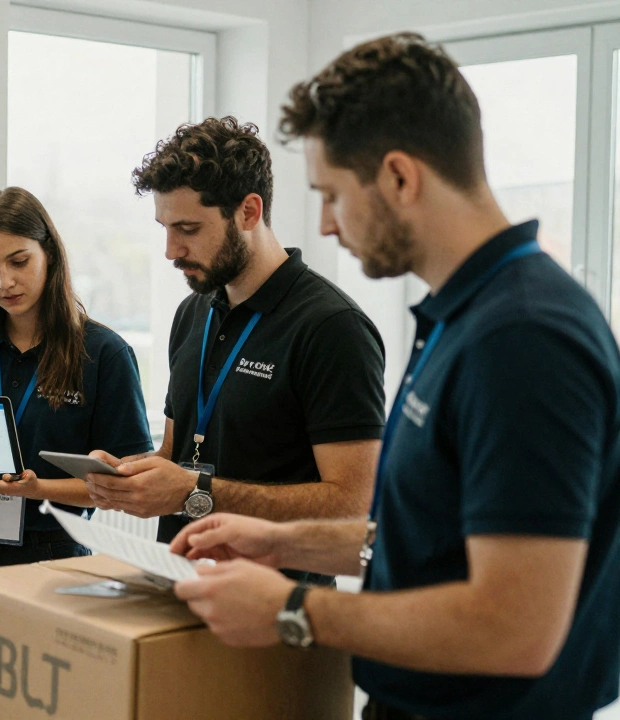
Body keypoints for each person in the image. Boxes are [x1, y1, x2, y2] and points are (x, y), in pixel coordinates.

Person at [170, 34, 620, 720]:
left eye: (331, 195)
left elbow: (514, 628)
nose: (323, 224)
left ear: (400, 177)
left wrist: (295, 607)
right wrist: (283, 540)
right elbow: (428, 538)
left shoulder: (524, 337)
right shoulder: (461, 314)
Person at [84, 118, 386, 564]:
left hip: (273, 605)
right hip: (176, 581)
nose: (171, 250)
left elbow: (353, 507)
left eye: (188, 229)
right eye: (164, 228)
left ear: (248, 211)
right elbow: (178, 453)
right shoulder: (193, 312)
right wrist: (132, 478)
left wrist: (196, 491)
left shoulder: (331, 327)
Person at [0, 187, 152, 673]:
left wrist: (36, 488)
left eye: (19, 261)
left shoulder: (103, 354)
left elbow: (123, 486)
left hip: (51, 558)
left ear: (50, 253)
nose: (4, 281)